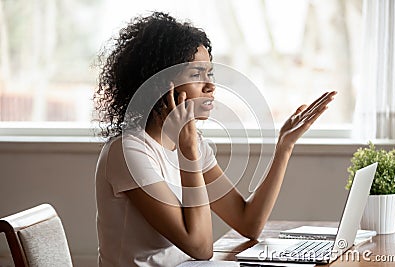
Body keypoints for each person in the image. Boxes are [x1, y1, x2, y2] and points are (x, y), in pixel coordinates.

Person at [94, 11, 336, 267]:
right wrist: (188, 152)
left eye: (210, 74)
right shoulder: (128, 151)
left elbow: (248, 223)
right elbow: (199, 247)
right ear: (161, 84)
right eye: (197, 75)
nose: (210, 86)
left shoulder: (192, 143)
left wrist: (284, 147)